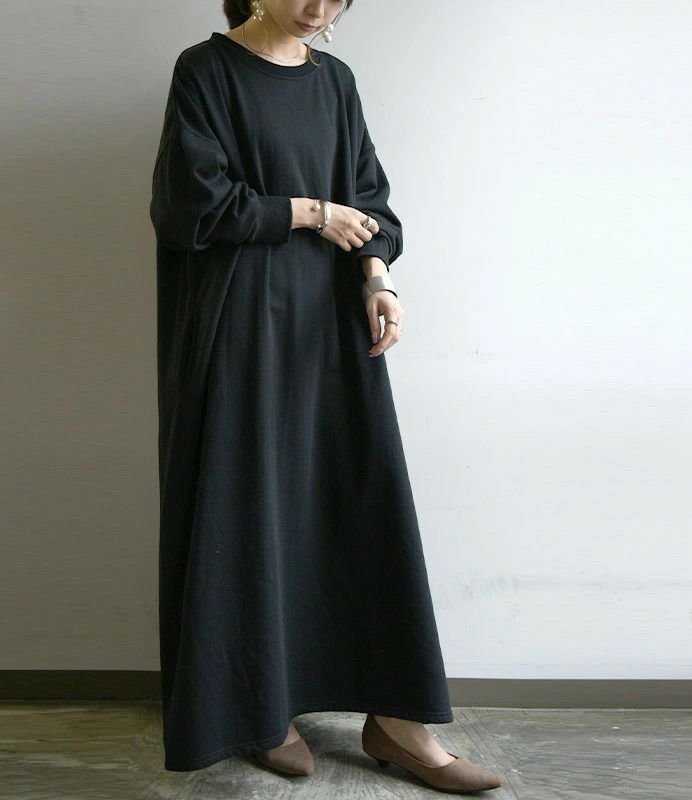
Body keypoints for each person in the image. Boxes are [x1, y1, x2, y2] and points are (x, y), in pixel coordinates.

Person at [149, 0, 504, 792]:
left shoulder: (335, 82)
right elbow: (187, 204)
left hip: (332, 327)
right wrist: (309, 213)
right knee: (253, 508)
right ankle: (260, 706)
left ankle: (399, 722)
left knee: (360, 501)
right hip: (242, 325)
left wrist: (379, 280)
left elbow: (368, 197)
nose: (319, 8)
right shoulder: (206, 71)